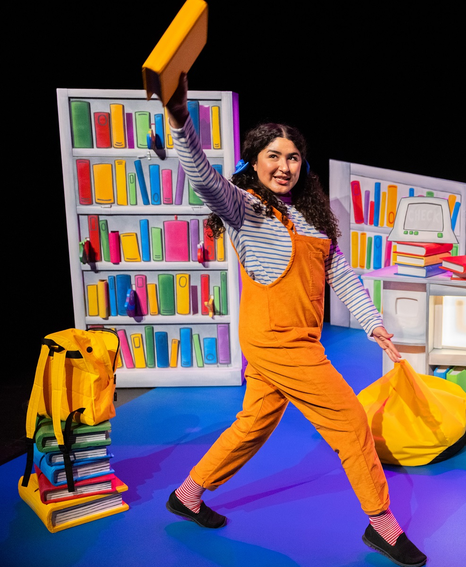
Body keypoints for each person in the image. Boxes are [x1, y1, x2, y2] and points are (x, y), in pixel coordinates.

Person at [162, 75, 426, 567]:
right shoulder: (245, 207)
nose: (284, 167)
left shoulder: (314, 217)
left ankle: (188, 493)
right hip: (275, 339)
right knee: (350, 421)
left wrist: (372, 324)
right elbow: (202, 176)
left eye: (293, 157)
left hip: (297, 336)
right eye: (273, 157)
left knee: (253, 423)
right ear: (255, 162)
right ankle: (381, 525)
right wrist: (181, 121)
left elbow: (340, 275)